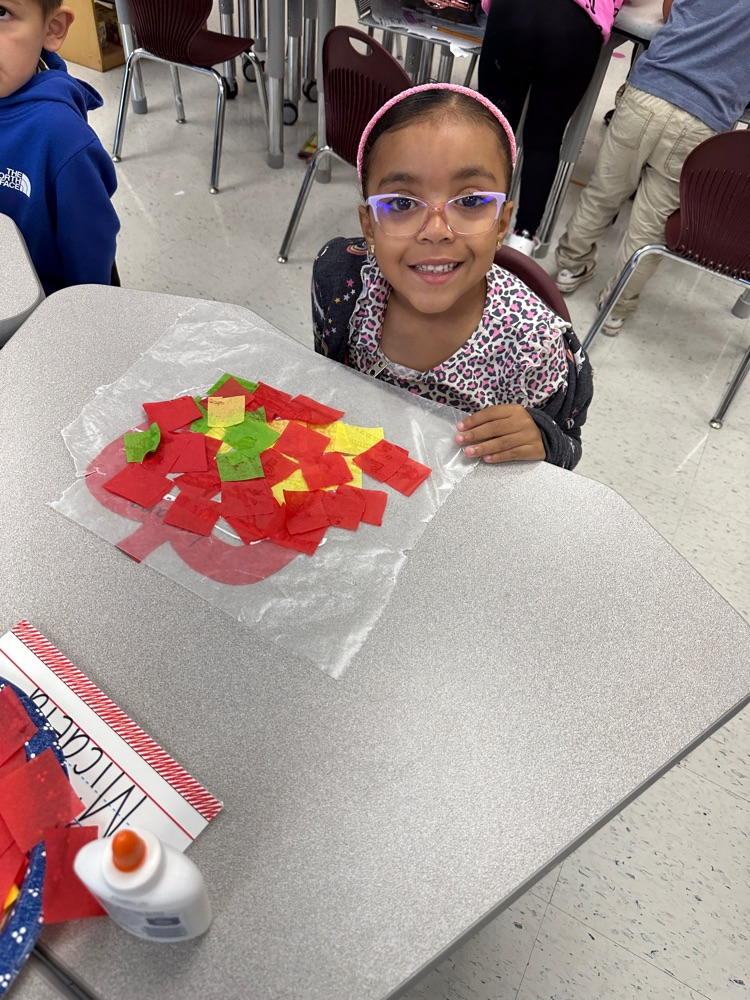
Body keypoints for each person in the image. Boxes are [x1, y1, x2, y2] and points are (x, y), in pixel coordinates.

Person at [312, 84, 593, 470]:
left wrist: (542, 438)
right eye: (402, 203)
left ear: (502, 224)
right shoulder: (341, 281)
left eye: (471, 201)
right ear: (369, 226)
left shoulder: (534, 345)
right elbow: (326, 384)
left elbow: (567, 446)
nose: (436, 230)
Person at [554, 0, 750, 335]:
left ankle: (569, 267)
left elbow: (668, 11)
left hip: (649, 92)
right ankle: (616, 305)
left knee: (604, 190)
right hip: (704, 117)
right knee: (652, 225)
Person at [477, 0, 624, 257]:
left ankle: (474, 221)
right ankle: (522, 240)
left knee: (493, 130)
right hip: (576, 25)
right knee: (544, 140)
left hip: (513, 13)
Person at [0, 0, 120, 295]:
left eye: (1, 12)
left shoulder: (63, 139)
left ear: (51, 29)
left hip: (36, 310)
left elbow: (90, 276)